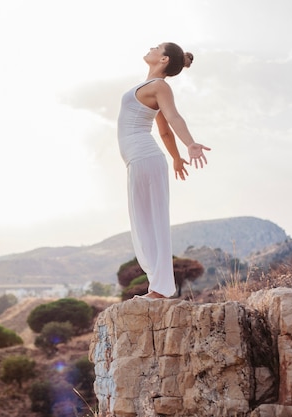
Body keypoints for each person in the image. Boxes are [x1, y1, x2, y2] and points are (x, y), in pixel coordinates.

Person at [117, 42, 211, 299]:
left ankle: (160, 289)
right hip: (139, 159)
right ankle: (156, 286)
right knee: (142, 221)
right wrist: (177, 158)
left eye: (156, 47)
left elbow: (174, 118)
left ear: (164, 59)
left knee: (152, 221)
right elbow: (163, 130)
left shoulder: (160, 86)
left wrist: (190, 143)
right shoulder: (148, 87)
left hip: (144, 157)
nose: (150, 47)